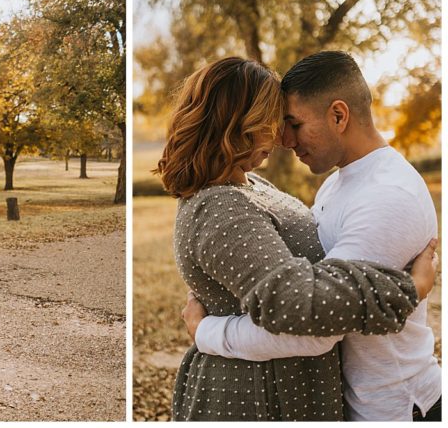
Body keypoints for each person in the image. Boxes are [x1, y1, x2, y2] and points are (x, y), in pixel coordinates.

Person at [154, 56, 434, 421]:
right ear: (237, 125)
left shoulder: (385, 195)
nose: (284, 139)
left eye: (292, 123)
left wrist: (208, 330)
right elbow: (303, 309)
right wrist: (408, 289)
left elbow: (313, 324)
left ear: (338, 116)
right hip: (259, 398)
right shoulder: (225, 203)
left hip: (387, 406)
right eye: (275, 121)